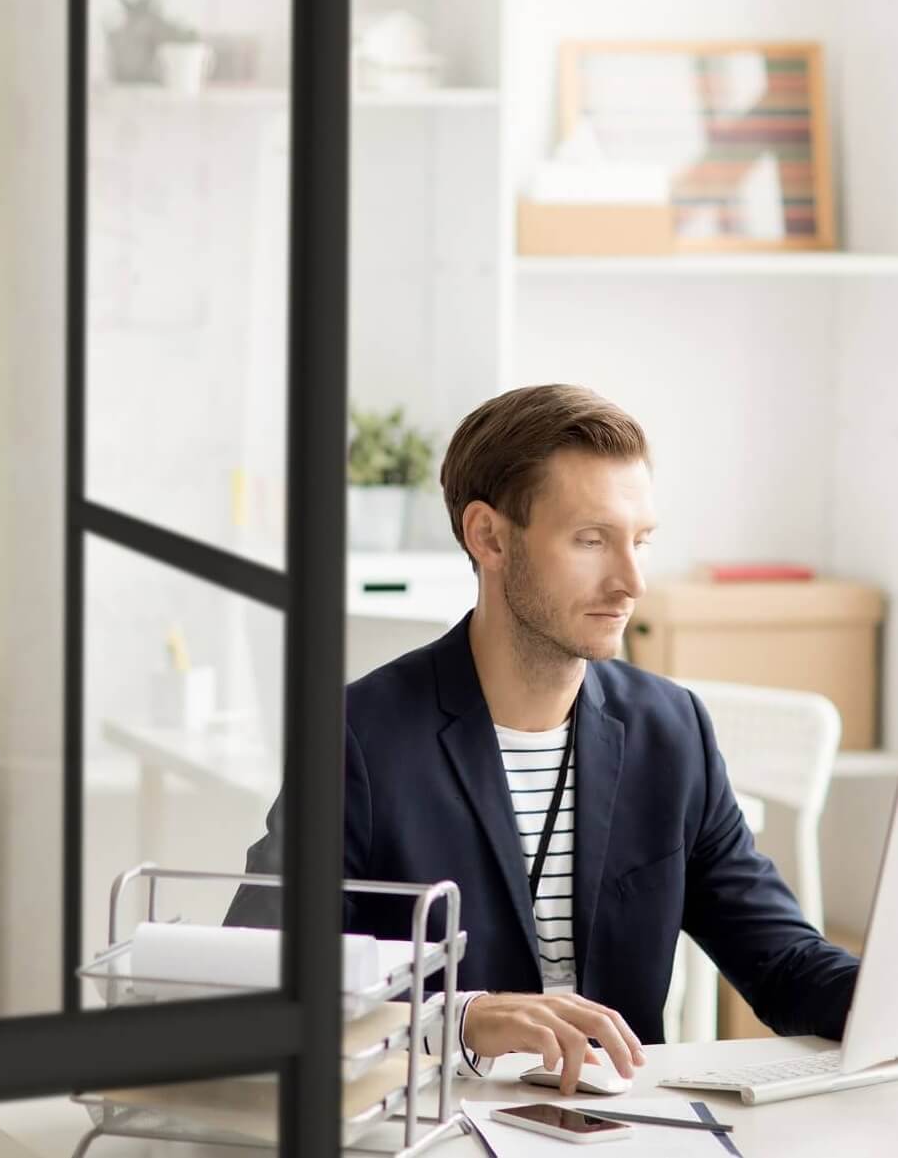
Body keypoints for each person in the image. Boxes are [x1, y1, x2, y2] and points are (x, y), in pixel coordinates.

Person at [226, 383, 859, 1092]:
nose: (631, 580)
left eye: (641, 540)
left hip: (627, 1135)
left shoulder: (670, 729)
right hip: (437, 1126)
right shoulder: (359, 738)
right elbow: (256, 978)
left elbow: (784, 962)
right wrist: (461, 1019)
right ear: (489, 536)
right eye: (592, 539)